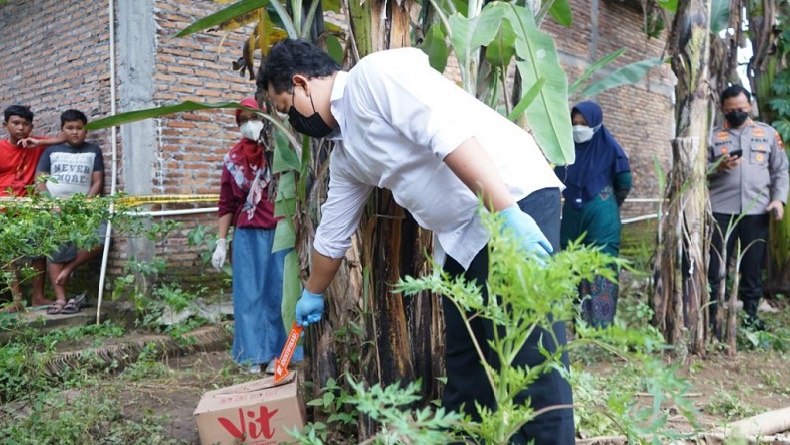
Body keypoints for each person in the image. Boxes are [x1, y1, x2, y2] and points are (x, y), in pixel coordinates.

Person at [258, 39, 574, 444]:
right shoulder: (346, 152)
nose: (296, 124)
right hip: (462, 237)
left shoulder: (374, 78)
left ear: (302, 83)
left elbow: (447, 134)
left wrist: (508, 213)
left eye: (287, 108)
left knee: (532, 347)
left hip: (513, 197)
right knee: (468, 357)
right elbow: (333, 231)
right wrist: (312, 293)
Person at [211, 97, 289, 374]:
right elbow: (226, 204)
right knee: (249, 296)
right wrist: (221, 242)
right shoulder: (232, 159)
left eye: (254, 118)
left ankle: (279, 355)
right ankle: (252, 356)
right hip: (247, 236)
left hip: (282, 231)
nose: (249, 125)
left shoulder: (283, 150)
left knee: (281, 294)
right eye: (243, 120)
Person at [707, 85, 789, 331]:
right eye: (730, 110)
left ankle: (751, 317)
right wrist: (717, 168)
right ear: (722, 109)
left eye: (741, 109)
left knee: (753, 266)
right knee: (716, 266)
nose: (736, 114)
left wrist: (778, 200)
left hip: (757, 211)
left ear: (749, 106)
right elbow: (695, 170)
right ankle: (713, 317)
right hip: (720, 210)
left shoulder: (768, 134)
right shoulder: (711, 137)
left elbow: (780, 170)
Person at [554, 101, 632, 328]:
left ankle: (599, 329)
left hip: (602, 222)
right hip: (572, 220)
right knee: (574, 267)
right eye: (575, 123)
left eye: (584, 124)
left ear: (596, 124)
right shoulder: (567, 152)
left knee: (600, 269)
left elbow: (624, 182)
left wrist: (606, 201)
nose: (578, 129)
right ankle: (580, 325)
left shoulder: (610, 149)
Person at [36, 109, 106, 315]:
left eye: (79, 128)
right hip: (56, 208)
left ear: (86, 129)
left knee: (99, 238)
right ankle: (60, 300)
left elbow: (97, 181)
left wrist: (85, 204)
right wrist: (51, 204)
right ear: (62, 130)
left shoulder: (93, 151)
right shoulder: (51, 151)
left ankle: (69, 269)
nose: (75, 132)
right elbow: (40, 180)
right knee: (56, 251)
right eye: (70, 128)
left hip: (83, 208)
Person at [1, 105, 65, 313]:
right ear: (5, 125)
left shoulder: (35, 146)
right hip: (4, 210)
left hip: (31, 209)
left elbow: (63, 138)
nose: (21, 128)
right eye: (16, 123)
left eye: (25, 124)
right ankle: (17, 300)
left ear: (31, 127)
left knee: (39, 252)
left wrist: (38, 142)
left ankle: (38, 296)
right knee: (8, 256)